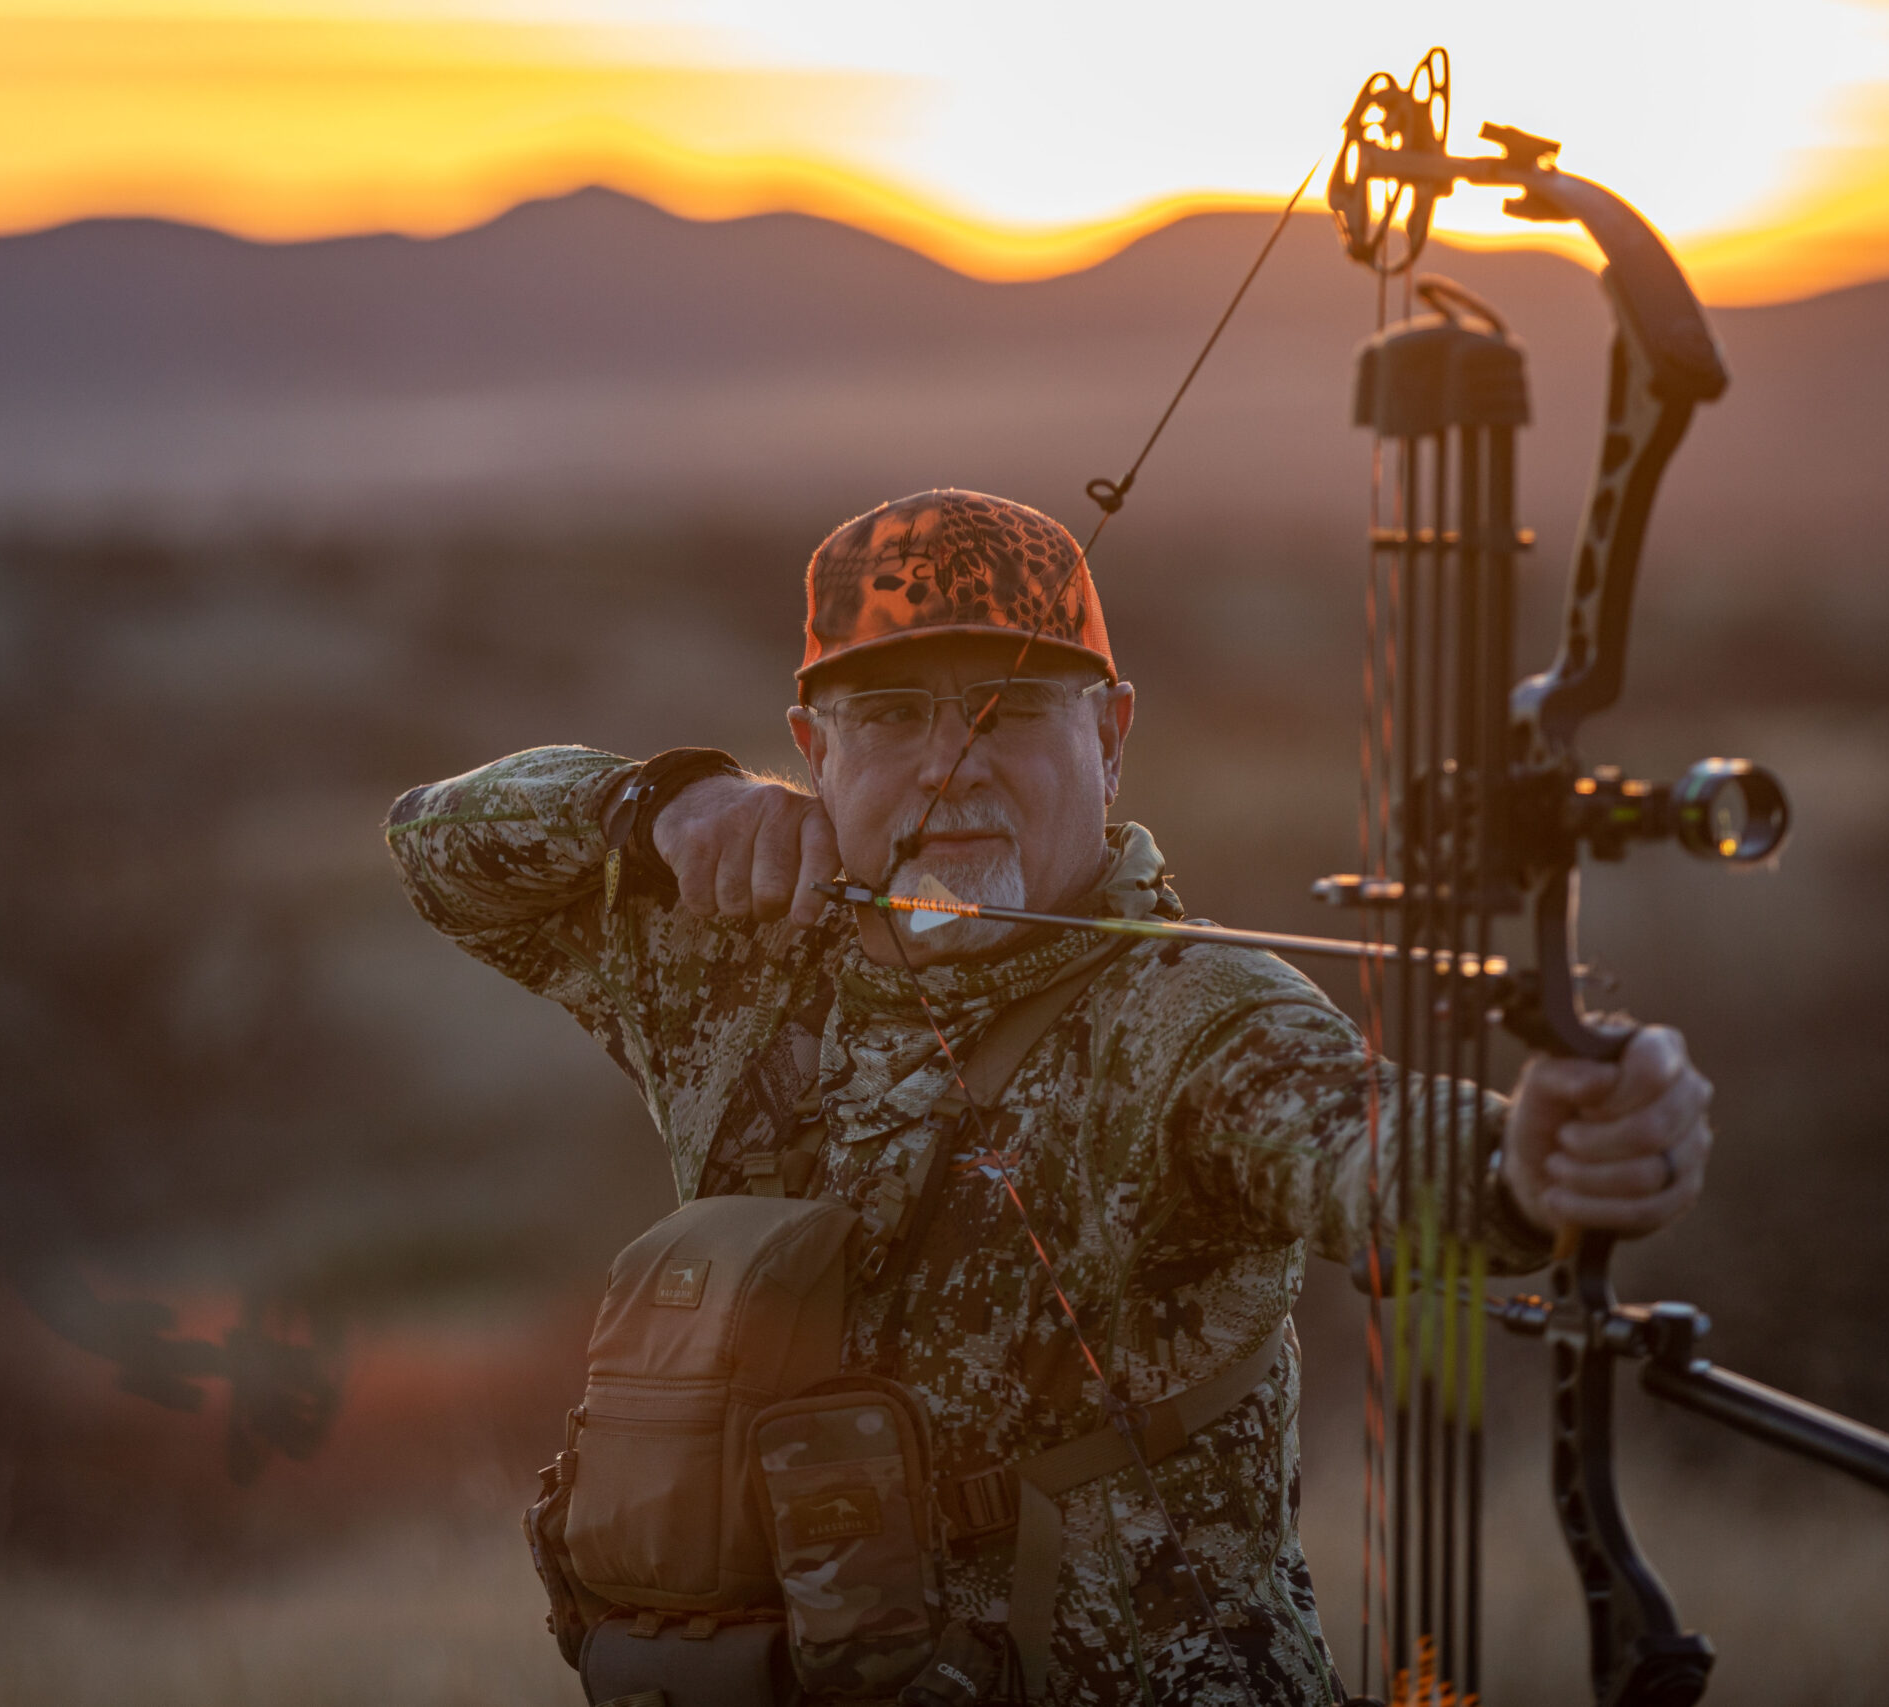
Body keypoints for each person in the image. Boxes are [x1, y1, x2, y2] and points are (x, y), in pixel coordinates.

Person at [384, 489, 1713, 1705]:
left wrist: (1534, 1165)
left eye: (1009, 711)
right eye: (893, 717)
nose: (949, 765)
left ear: (1112, 735)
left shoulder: (1190, 1015)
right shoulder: (734, 968)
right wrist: (661, 807)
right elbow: (435, 847)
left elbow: (1370, 1147)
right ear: (812, 746)